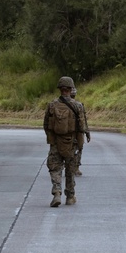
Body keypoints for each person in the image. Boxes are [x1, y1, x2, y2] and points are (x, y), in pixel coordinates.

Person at [44, 76, 82, 207]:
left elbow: (46, 125)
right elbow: (81, 128)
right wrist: (80, 145)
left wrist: (52, 140)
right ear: (71, 89)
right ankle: (70, 196)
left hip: (55, 142)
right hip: (71, 142)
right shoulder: (77, 106)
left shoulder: (52, 105)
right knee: (70, 169)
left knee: (55, 168)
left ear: (60, 89)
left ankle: (57, 192)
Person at [71, 87, 91, 175]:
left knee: (75, 148)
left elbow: (83, 119)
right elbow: (83, 120)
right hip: (76, 131)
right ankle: (75, 168)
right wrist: (87, 132)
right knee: (78, 149)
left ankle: (72, 167)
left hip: (72, 131)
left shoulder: (60, 104)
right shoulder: (78, 105)